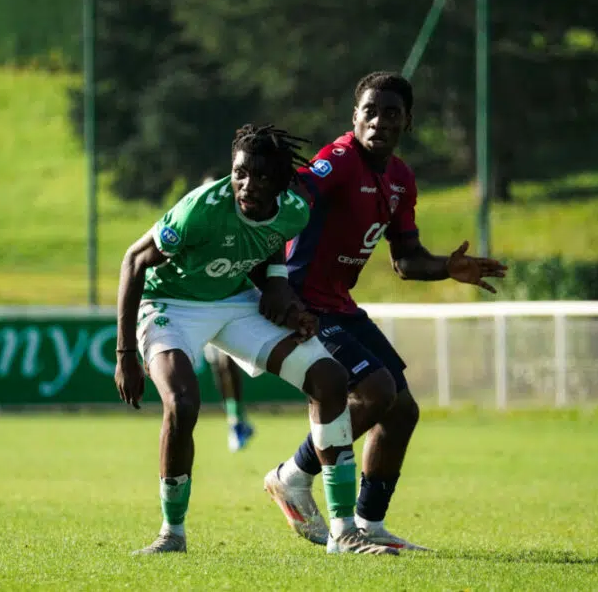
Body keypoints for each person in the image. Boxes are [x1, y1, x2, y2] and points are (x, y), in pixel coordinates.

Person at [114, 124, 398, 556]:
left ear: (283, 182)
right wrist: (125, 354)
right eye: (240, 173)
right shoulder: (201, 208)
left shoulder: (295, 209)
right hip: (171, 303)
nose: (247, 185)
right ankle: (172, 533)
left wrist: (278, 284)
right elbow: (135, 259)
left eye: (262, 177)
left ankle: (343, 531)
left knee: (330, 378)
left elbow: (270, 240)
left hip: (234, 300)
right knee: (182, 403)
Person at [260, 72, 507, 550]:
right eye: (369, 111)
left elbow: (406, 261)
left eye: (391, 112)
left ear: (407, 122)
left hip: (340, 304)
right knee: (375, 390)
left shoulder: (400, 180)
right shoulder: (337, 161)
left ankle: (370, 525)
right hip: (303, 301)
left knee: (402, 410)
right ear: (355, 117)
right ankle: (291, 474)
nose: (379, 121)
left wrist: (448, 268)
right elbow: (292, 203)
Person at [197, 175, 257, 453]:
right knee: (220, 367)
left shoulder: (241, 223)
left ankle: (237, 420)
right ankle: (236, 419)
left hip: (239, 305)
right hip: (207, 307)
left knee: (226, 364)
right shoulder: (196, 225)